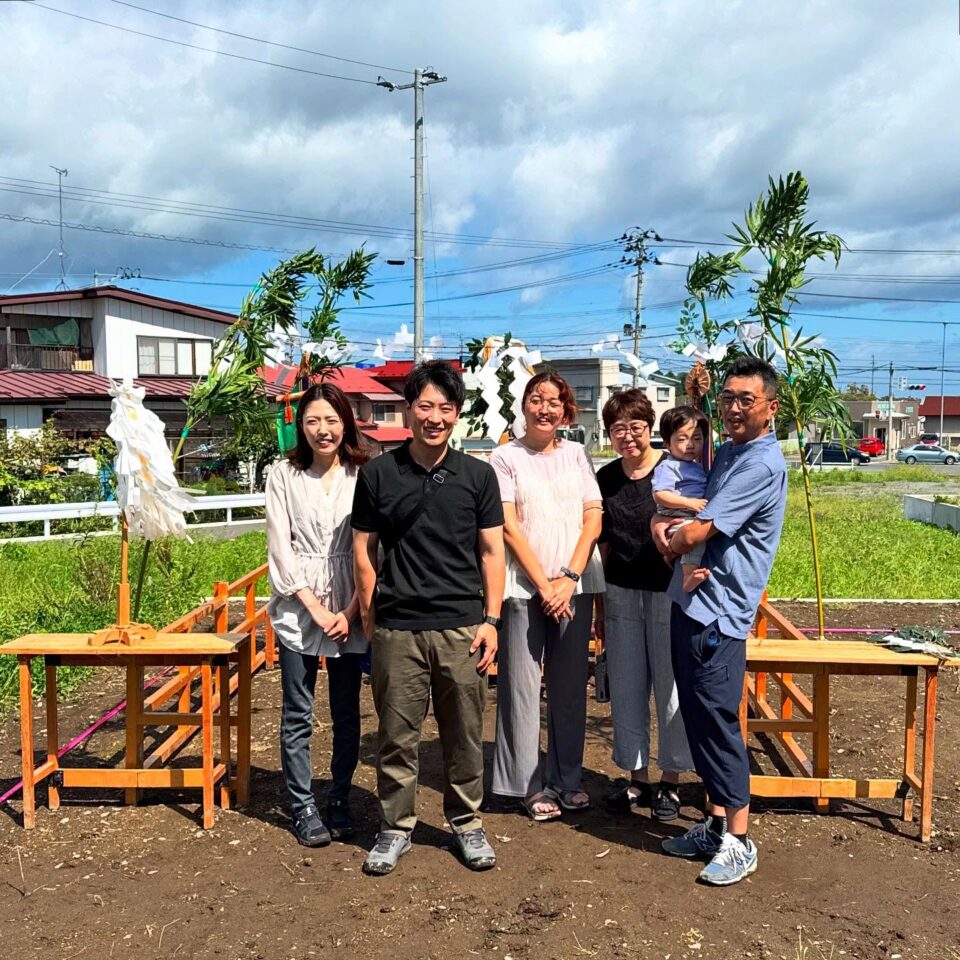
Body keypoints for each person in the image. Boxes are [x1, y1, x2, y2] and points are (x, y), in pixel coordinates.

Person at [352, 361, 505, 876]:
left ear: (457, 414)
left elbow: (491, 553)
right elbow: (363, 551)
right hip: (398, 627)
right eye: (425, 406)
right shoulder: (378, 474)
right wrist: (372, 618)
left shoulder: (478, 475)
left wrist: (491, 619)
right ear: (409, 409)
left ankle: (467, 823)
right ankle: (395, 827)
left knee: (463, 733)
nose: (434, 417)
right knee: (397, 736)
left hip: (462, 624)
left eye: (445, 407)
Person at [653, 356, 786, 886]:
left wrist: (667, 539)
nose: (733, 408)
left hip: (721, 612)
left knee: (719, 723)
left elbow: (697, 531)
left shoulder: (760, 464)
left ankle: (739, 837)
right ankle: (713, 824)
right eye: (728, 398)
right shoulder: (732, 449)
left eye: (744, 400)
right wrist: (699, 394)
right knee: (699, 719)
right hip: (694, 604)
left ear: (770, 409)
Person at [489, 372, 604, 822]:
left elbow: (592, 518)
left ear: (566, 410)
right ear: (523, 405)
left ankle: (567, 778)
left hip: (574, 584)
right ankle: (527, 784)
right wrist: (544, 583)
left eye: (554, 402)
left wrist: (569, 579)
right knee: (520, 685)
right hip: (522, 586)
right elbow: (509, 525)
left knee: (570, 684)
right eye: (536, 400)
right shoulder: (505, 458)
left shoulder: (577, 454)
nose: (545, 408)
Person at [266, 381, 372, 847]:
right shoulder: (282, 475)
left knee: (347, 712)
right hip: (298, 604)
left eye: (331, 420)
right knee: (298, 712)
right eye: (313, 421)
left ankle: (340, 797)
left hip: (353, 601)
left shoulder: (364, 473)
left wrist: (350, 610)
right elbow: (279, 546)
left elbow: (373, 546)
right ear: (300, 426)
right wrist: (312, 604)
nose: (322, 430)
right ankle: (303, 805)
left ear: (345, 422)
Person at [594, 390, 693, 823]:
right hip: (620, 593)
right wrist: (598, 606)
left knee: (671, 689)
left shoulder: (674, 472)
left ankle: (670, 781)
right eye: (618, 429)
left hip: (669, 593)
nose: (628, 437)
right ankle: (636, 777)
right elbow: (602, 540)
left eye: (636, 427)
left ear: (650, 428)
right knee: (628, 688)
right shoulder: (606, 478)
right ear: (609, 434)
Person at [652, 406, 711, 593]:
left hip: (688, 513)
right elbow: (660, 494)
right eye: (682, 439)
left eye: (697, 438)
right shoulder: (669, 467)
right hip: (678, 515)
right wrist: (689, 502)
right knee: (694, 538)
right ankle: (688, 577)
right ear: (668, 444)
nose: (690, 444)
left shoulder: (695, 466)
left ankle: (673, 560)